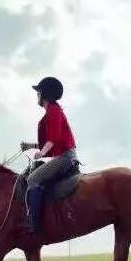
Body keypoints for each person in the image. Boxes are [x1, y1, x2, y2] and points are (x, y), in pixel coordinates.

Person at [20, 77, 78, 232]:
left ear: (44, 94)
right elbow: (52, 142)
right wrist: (30, 146)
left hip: (66, 157)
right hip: (63, 154)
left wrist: (42, 153)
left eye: (38, 93)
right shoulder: (52, 111)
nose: (37, 96)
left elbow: (54, 139)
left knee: (33, 178)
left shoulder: (53, 110)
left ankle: (35, 224)